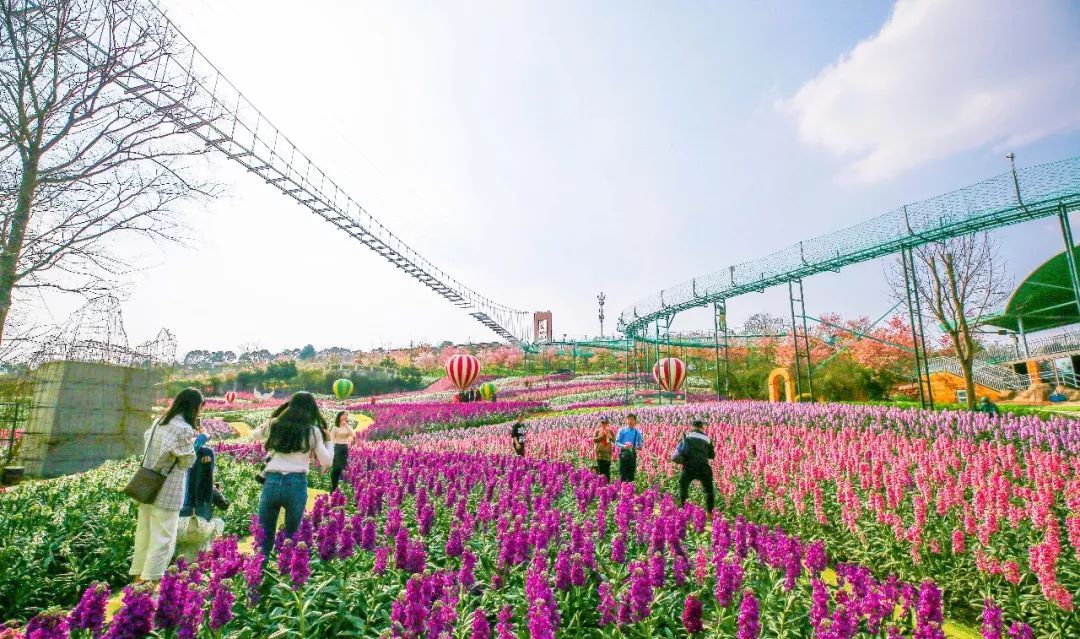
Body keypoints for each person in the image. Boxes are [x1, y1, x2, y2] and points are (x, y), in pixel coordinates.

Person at [129, 388, 201, 583]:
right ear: (193, 406)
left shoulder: (158, 422)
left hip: (147, 486)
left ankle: (138, 578)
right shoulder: (183, 428)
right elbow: (187, 460)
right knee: (163, 539)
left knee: (144, 534)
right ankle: (151, 582)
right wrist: (197, 442)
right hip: (167, 490)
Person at [252, 392, 333, 556]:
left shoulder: (274, 424)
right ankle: (288, 573)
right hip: (296, 484)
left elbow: (254, 434)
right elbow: (326, 462)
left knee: (264, 537)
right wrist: (329, 440)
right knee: (292, 536)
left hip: (272, 482)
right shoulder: (313, 431)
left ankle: (258, 574)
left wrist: (275, 417)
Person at [675, 420, 716, 513]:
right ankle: (710, 513)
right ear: (702, 428)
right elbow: (712, 455)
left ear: (692, 427)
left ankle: (683, 509)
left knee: (683, 486)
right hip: (703, 467)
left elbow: (680, 449)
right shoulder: (707, 438)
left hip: (689, 466)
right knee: (709, 490)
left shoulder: (687, 436)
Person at [329, 411, 354, 492]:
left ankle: (337, 488)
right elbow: (331, 440)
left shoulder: (348, 426)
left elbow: (353, 435)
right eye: (344, 414)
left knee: (341, 468)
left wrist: (346, 425)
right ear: (339, 416)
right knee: (336, 468)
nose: (345, 416)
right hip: (337, 448)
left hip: (345, 448)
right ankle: (333, 487)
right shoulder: (335, 427)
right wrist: (331, 451)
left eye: (347, 415)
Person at [615, 414, 644, 483]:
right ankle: (622, 490)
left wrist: (635, 447)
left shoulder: (638, 433)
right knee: (623, 474)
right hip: (623, 455)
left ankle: (630, 491)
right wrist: (624, 446)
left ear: (635, 421)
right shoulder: (622, 431)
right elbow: (617, 442)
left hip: (632, 455)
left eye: (632, 419)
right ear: (626, 421)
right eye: (628, 419)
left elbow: (640, 447)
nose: (630, 421)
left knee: (631, 475)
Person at [592, 417, 616, 482]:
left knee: (607, 472)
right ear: (600, 423)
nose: (604, 424)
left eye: (606, 422)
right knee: (600, 471)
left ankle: (607, 486)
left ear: (608, 423)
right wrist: (601, 436)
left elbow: (615, 441)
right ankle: (600, 485)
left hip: (608, 455)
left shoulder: (610, 431)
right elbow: (594, 440)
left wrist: (609, 436)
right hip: (599, 454)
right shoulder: (597, 431)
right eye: (603, 422)